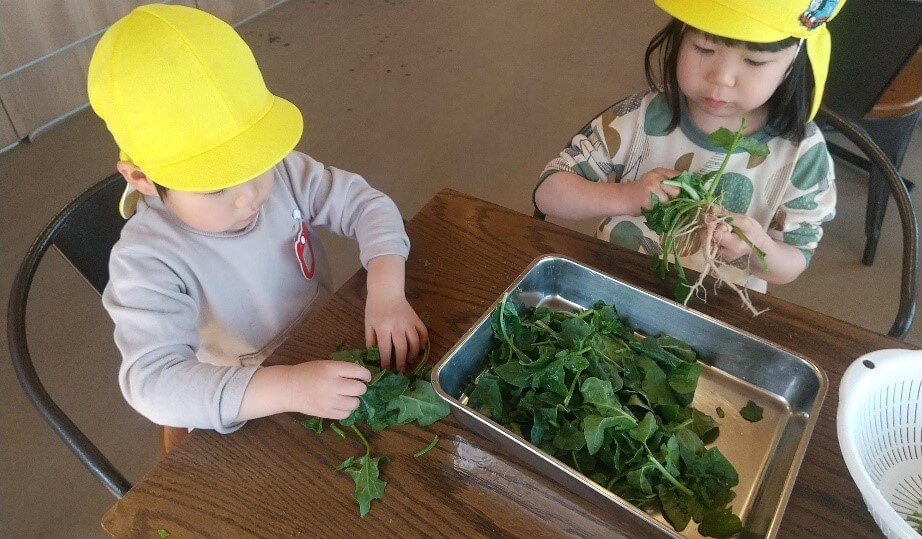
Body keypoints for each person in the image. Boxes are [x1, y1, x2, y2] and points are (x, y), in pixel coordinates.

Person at [88, 4, 427, 433]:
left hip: (324, 344)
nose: (250, 198)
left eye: (256, 162)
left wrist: (387, 292)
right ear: (142, 179)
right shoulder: (147, 260)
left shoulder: (282, 171)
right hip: (248, 403)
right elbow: (153, 383)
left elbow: (366, 205)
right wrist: (288, 386)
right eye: (216, 186)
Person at [534, 0, 844, 292]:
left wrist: (756, 250)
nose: (721, 78)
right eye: (704, 48)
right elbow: (548, 194)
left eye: (754, 61)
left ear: (793, 62)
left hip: (718, 309)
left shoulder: (802, 155)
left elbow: (793, 262)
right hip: (615, 286)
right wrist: (626, 197)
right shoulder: (639, 118)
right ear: (679, 36)